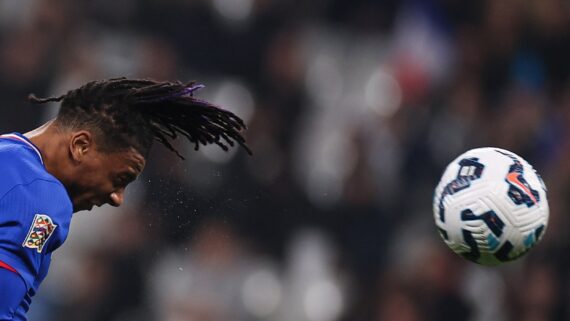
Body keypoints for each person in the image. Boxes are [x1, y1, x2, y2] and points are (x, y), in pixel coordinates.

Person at [0, 77, 250, 320]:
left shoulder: (8, 151)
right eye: (119, 178)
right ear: (81, 146)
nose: (117, 198)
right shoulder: (42, 197)